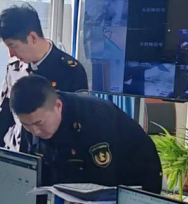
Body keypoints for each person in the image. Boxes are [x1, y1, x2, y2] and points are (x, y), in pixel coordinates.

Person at [11, 74, 162, 192]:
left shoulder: (96, 119)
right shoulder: (31, 120)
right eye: (27, 125)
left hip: (132, 184)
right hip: (77, 183)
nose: (35, 131)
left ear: (58, 106)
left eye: (39, 123)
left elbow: (101, 187)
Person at [0, 4, 88, 151]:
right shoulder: (14, 68)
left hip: (50, 158)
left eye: (13, 46)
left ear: (32, 37)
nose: (11, 54)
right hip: (15, 153)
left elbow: (76, 124)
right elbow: (1, 115)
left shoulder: (70, 71)